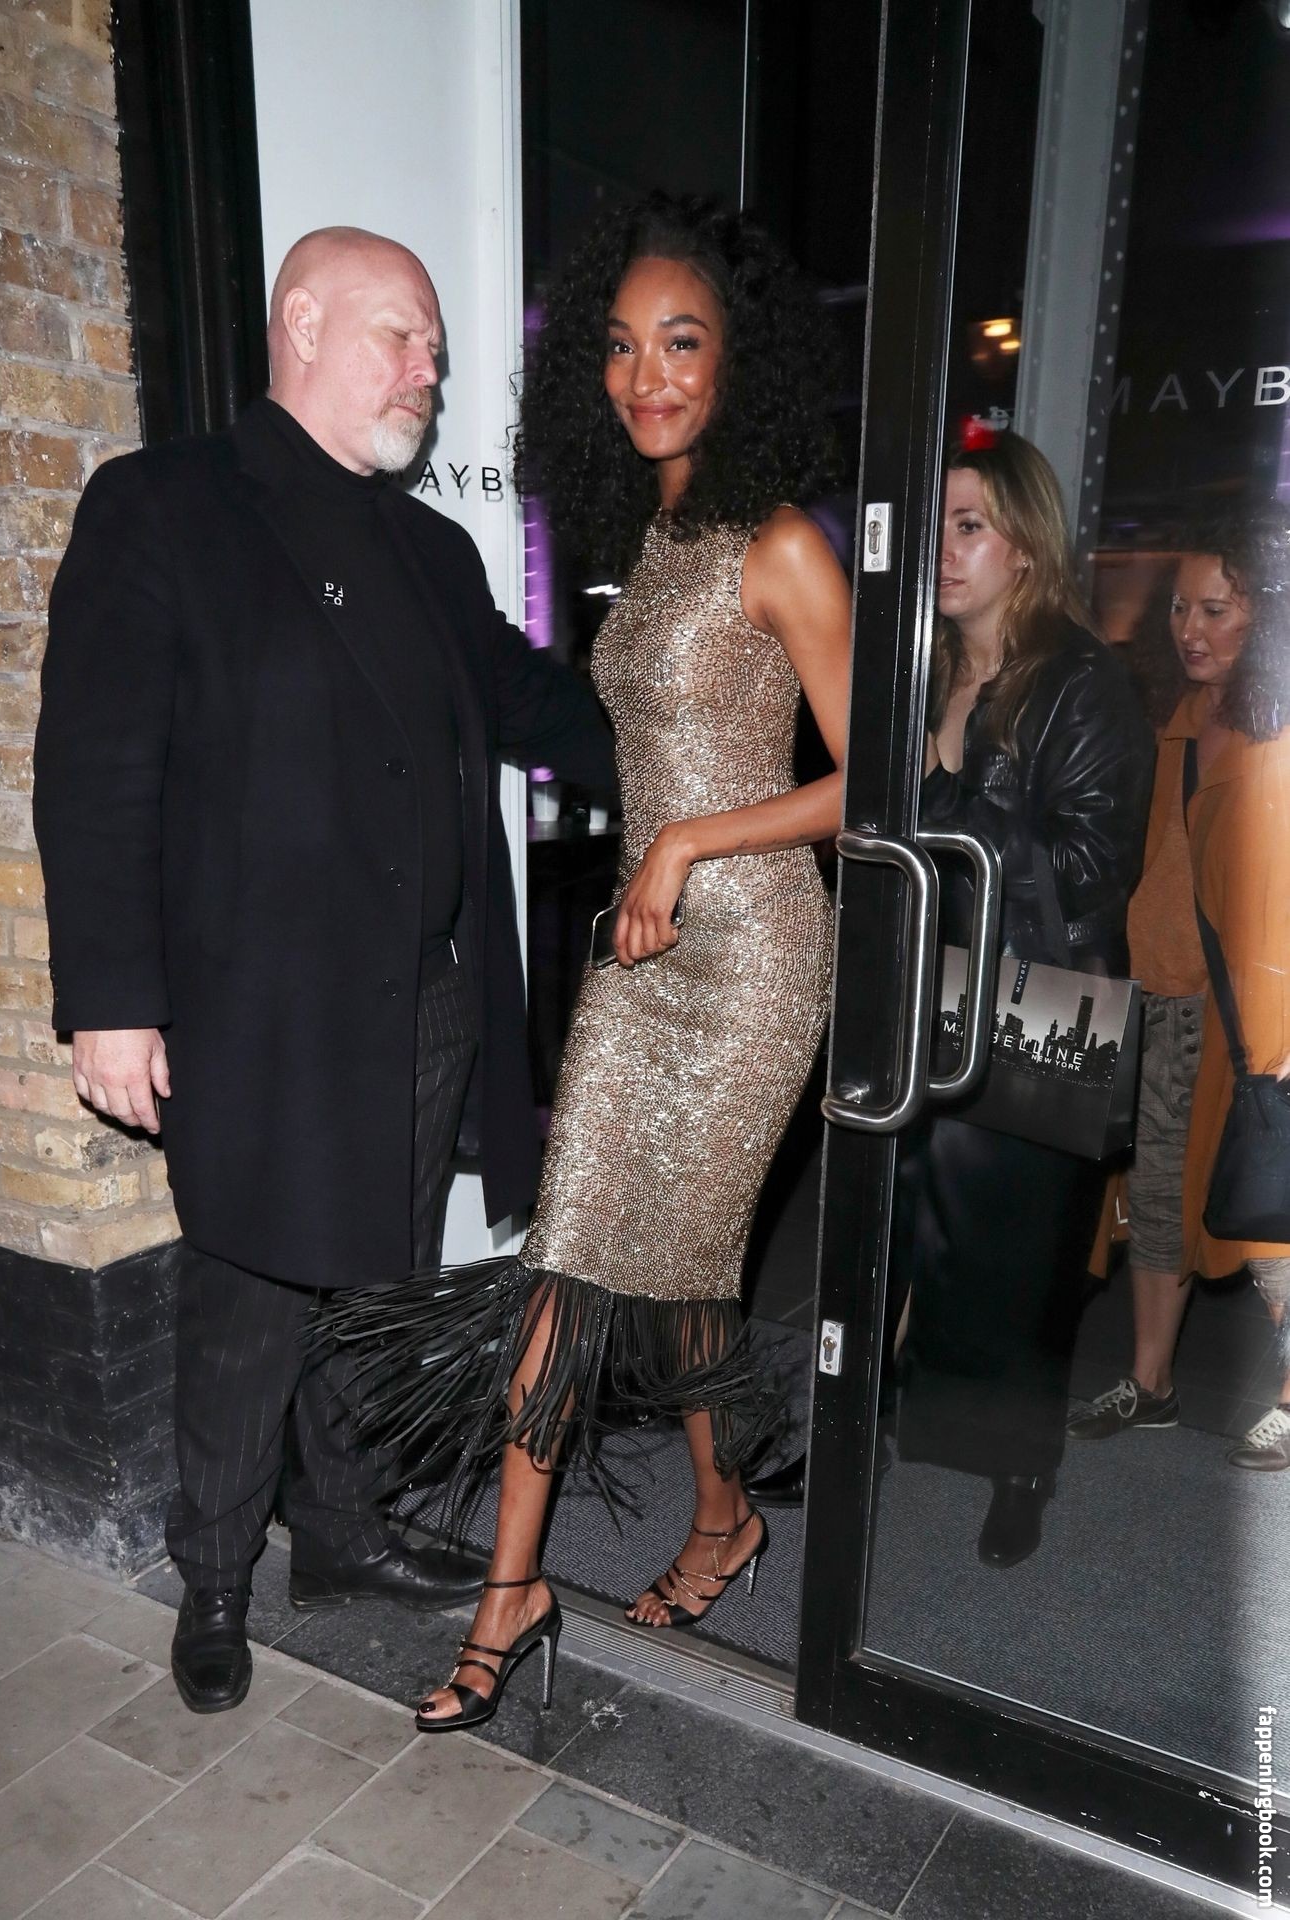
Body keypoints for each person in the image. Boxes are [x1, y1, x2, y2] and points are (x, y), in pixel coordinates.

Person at [33, 226, 617, 1714]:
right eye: (401, 336)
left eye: (435, 349)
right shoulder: (166, 506)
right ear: (301, 322)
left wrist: (702, 741)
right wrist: (113, 1001)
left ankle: (344, 1532)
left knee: (376, 1285)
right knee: (252, 1296)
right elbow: (96, 770)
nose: (430, 369)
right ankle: (216, 1573)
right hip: (264, 1006)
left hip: (422, 1002)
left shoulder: (433, 551)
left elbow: (529, 702)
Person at [321, 192, 851, 1730]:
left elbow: (883, 778)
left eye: (680, 342)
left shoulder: (779, 545)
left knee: (661, 1260)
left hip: (751, 955)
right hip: (642, 944)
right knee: (595, 1259)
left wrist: (686, 846)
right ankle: (659, 1535)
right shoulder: (653, 534)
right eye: (619, 347)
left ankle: (557, 1577)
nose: (646, 375)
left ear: (737, 356)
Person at [893, 431, 1153, 1567]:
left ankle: (1020, 1469)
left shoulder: (1081, 682)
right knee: (914, 1221)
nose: (944, 550)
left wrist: (947, 793)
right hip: (931, 983)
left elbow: (1094, 869)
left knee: (1022, 1257)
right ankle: (899, 1416)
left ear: (1027, 550)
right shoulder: (923, 669)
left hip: (1048, 1001)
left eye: (970, 526)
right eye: (937, 527)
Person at [1070, 507, 1290, 1467]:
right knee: (1158, 1198)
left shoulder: (1277, 735)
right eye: (1178, 609)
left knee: (1269, 1206)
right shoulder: (1178, 715)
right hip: (1161, 1001)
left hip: (1251, 1016)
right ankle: (1150, 1383)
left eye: (1215, 611)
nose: (1188, 630)